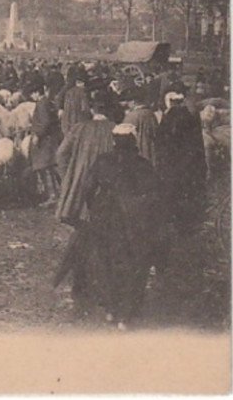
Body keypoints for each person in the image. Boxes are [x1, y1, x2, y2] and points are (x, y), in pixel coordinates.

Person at [54, 123, 165, 329]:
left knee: (106, 262)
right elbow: (155, 194)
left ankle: (111, 310)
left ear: (114, 141)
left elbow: (87, 188)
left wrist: (94, 209)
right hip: (134, 220)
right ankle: (126, 314)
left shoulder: (103, 161)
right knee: (133, 262)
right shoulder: (143, 164)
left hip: (105, 217)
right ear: (134, 141)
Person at [55, 90, 115, 227]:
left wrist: (68, 178)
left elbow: (61, 154)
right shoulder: (114, 129)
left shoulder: (79, 128)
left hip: (81, 181)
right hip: (106, 183)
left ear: (92, 110)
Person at [155, 90, 207, 226]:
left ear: (170, 102)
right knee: (188, 192)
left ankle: (176, 221)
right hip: (191, 163)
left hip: (173, 163)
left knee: (174, 193)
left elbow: (161, 142)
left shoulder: (168, 118)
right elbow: (198, 142)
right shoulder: (191, 116)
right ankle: (190, 221)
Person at [29, 83, 63, 205]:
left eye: (32, 94)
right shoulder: (48, 102)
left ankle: (53, 196)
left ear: (36, 93)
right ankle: (58, 193)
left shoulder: (41, 103)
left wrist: (38, 134)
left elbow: (45, 121)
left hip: (44, 140)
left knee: (45, 167)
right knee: (50, 166)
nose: (32, 96)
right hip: (50, 138)